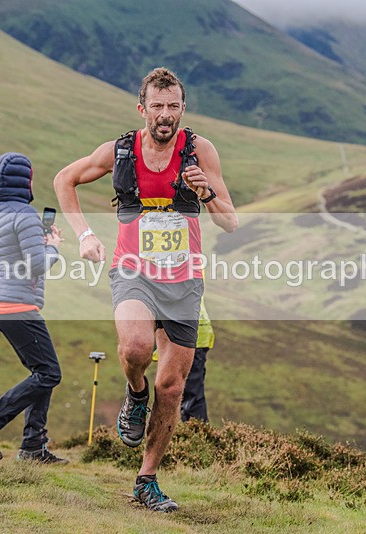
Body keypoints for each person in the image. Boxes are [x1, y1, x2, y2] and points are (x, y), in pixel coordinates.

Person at [54, 67, 237, 511]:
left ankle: (146, 479)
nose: (165, 114)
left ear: (183, 109)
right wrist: (84, 236)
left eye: (173, 106)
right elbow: (65, 180)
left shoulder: (200, 151)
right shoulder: (121, 150)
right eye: (157, 106)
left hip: (185, 280)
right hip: (134, 270)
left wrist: (207, 193)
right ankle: (135, 392)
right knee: (136, 348)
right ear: (142, 109)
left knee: (172, 386)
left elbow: (230, 221)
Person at [0, 152, 68, 465]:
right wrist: (53, 246)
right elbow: (36, 266)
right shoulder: (25, 216)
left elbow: (1, 258)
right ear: (27, 180)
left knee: (41, 372)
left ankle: (33, 446)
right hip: (19, 305)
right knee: (50, 373)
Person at [180, 296, 214, 423]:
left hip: (188, 333)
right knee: (191, 393)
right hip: (195, 330)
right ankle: (194, 434)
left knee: (190, 396)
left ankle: (194, 435)